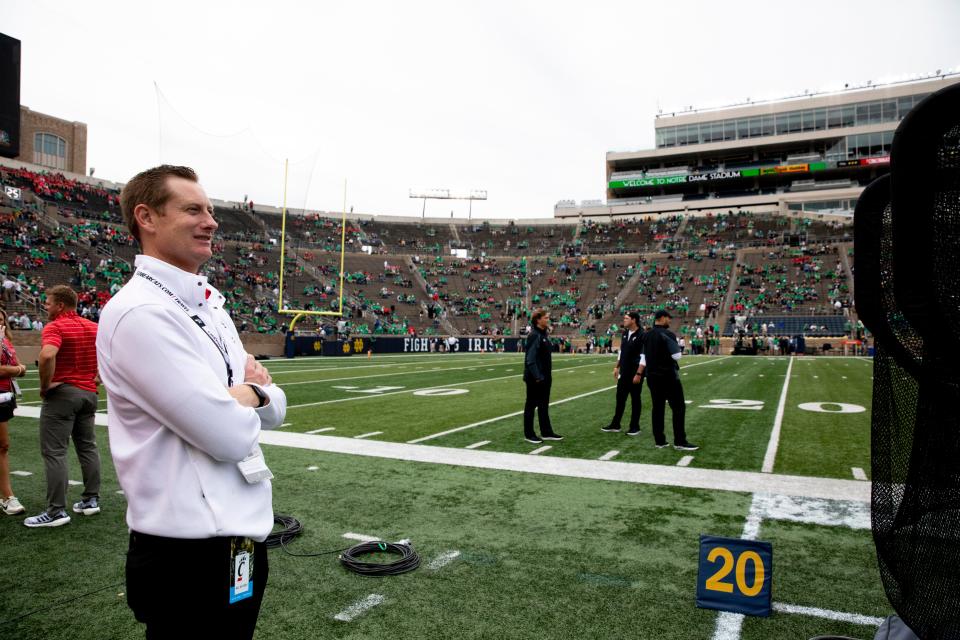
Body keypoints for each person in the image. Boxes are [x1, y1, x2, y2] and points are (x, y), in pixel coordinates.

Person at [98, 165, 287, 639]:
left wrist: (244, 396)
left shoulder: (208, 303)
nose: (211, 221)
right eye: (192, 209)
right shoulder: (141, 312)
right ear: (147, 217)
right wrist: (253, 394)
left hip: (239, 541)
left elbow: (278, 408)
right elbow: (226, 435)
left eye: (210, 210)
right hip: (185, 553)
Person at [23, 285, 102, 527]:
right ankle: (90, 500)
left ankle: (56, 511)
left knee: (55, 452)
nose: (45, 307)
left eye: (48, 302)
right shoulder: (93, 326)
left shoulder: (55, 326)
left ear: (59, 305)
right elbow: (111, 355)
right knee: (87, 447)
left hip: (64, 394)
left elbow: (47, 355)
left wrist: (45, 385)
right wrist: (95, 376)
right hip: (89, 393)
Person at [642, 310, 698, 451]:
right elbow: (677, 356)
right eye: (668, 318)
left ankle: (660, 441)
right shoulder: (667, 334)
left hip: (652, 377)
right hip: (668, 376)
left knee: (658, 408)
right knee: (678, 408)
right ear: (661, 318)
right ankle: (680, 441)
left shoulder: (646, 335)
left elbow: (643, 355)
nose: (670, 321)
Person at [0, 308, 28, 515]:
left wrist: (16, 369)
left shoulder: (6, 342)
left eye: (1, 320)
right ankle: (8, 496)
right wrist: (17, 369)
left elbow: (19, 366)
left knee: (3, 446)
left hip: (4, 395)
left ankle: (6, 496)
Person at [601, 311, 646, 435]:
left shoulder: (642, 334)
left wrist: (639, 374)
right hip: (624, 371)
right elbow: (622, 351)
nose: (624, 320)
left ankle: (635, 426)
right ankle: (616, 424)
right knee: (620, 399)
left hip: (635, 372)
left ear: (634, 320)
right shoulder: (625, 333)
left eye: (626, 318)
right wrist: (617, 367)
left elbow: (644, 356)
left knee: (635, 399)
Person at [522, 309, 562, 443]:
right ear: (538, 320)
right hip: (536, 378)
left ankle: (546, 432)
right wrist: (538, 376)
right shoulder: (535, 335)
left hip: (544, 377)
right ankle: (529, 434)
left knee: (544, 405)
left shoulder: (543, 334)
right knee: (531, 405)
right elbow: (530, 359)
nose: (548, 319)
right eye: (545, 318)